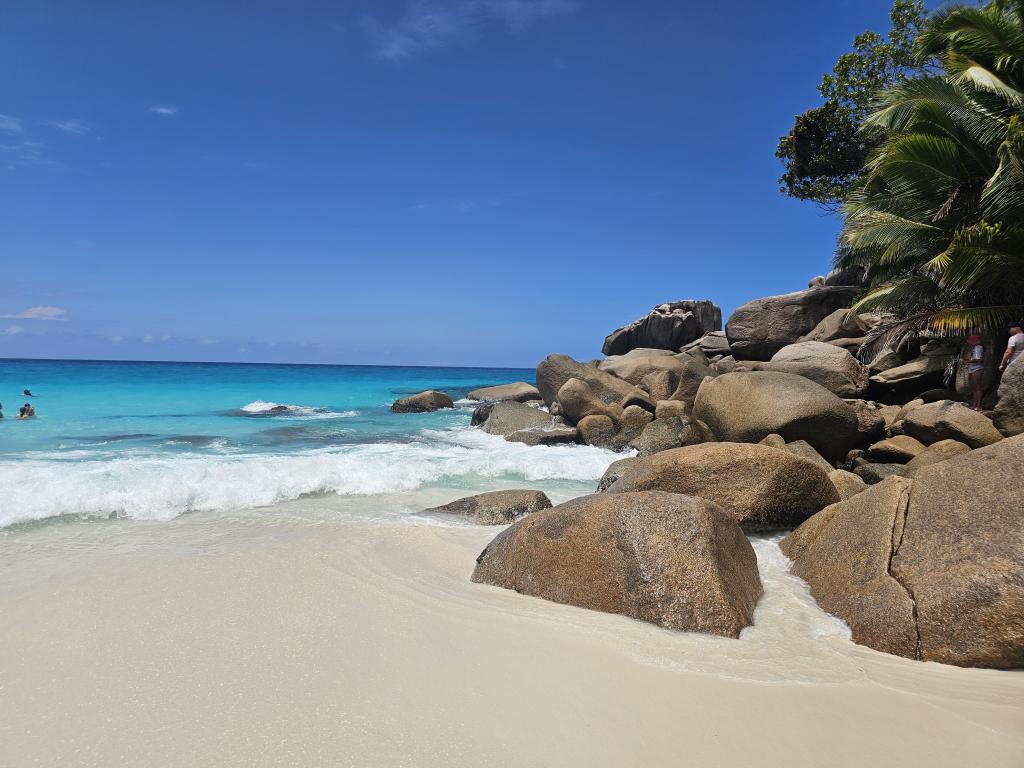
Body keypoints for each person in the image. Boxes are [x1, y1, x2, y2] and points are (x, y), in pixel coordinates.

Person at [963, 333, 985, 411]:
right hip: (972, 368)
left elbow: (979, 359)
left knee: (977, 387)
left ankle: (979, 406)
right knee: (974, 387)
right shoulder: (975, 347)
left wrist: (967, 361)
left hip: (977, 368)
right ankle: (974, 404)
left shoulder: (979, 347)